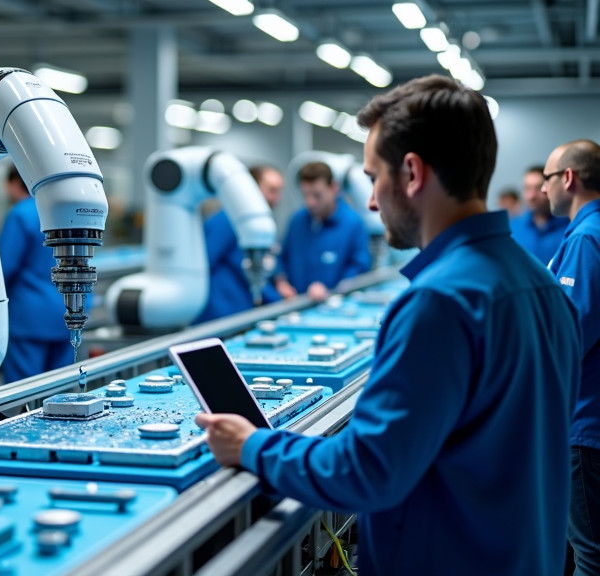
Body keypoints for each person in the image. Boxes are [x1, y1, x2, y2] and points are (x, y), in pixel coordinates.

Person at [196, 75, 581, 576]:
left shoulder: (439, 303)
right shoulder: (542, 284)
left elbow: (367, 472)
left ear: (413, 173)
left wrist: (250, 445)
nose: (373, 202)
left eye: (374, 176)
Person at [543, 139, 600, 576]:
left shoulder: (586, 240)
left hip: (583, 423)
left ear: (568, 178)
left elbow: (567, 338)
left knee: (590, 553)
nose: (543, 190)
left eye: (547, 179)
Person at [0, 165, 78, 382]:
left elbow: (5, 267)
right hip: (68, 312)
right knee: (59, 390)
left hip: (30, 318)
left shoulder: (21, 214)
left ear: (15, 184)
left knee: (24, 391)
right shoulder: (66, 212)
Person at [195, 165, 284, 323]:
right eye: (272, 190)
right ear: (252, 188)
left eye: (279, 191)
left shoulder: (253, 227)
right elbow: (203, 266)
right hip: (219, 317)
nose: (276, 199)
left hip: (241, 313)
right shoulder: (226, 221)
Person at [273, 161, 371, 302]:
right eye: (305, 195)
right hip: (295, 307)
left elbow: (359, 269)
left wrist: (332, 291)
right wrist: (281, 282)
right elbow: (281, 258)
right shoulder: (297, 220)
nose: (310, 202)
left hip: (334, 309)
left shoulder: (353, 223)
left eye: (317, 195)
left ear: (333, 188)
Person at [510, 165, 569, 264]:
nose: (531, 196)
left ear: (549, 188)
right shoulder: (512, 228)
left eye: (538, 188)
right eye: (527, 188)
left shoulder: (569, 228)